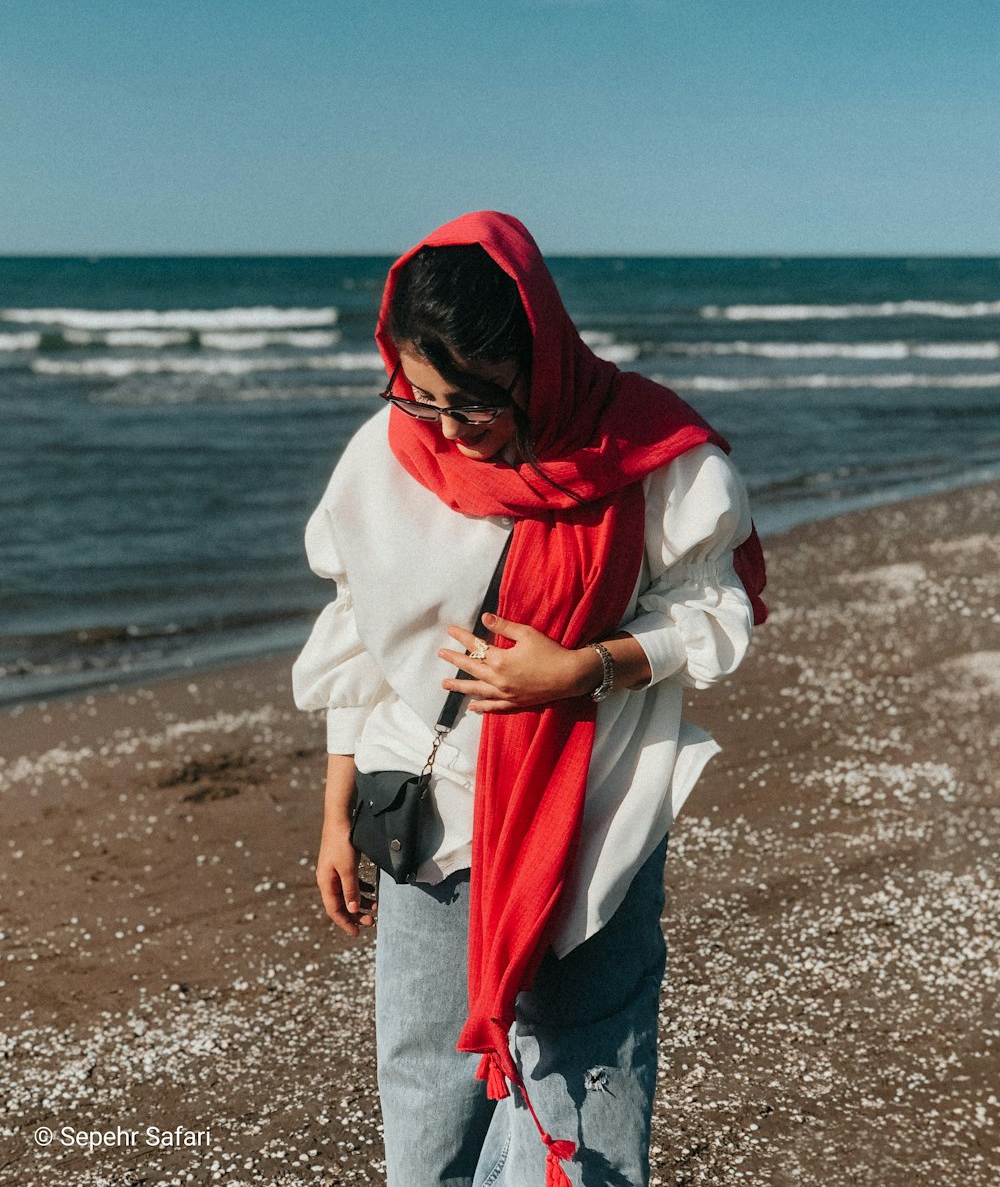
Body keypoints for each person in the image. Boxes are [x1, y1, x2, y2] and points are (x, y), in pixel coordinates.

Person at [292, 211, 767, 1187]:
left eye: (474, 405)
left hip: (592, 823)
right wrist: (336, 810)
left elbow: (714, 624)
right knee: (428, 1090)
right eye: (419, 396)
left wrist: (580, 667)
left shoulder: (649, 457)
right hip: (426, 826)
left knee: (585, 1086)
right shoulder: (387, 460)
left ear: (538, 362)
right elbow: (360, 637)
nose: (445, 431)